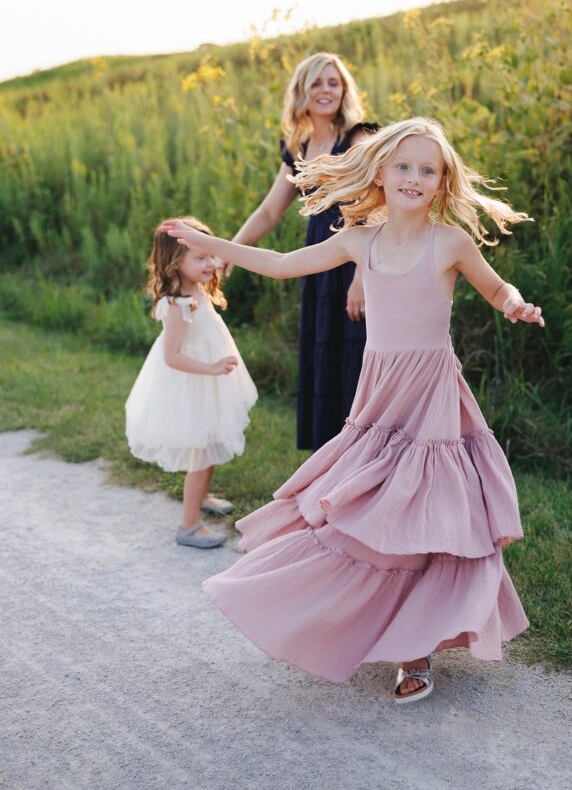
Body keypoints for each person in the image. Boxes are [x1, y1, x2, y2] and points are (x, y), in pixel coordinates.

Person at [162, 118, 544, 700]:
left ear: (441, 183)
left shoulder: (450, 243)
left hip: (430, 398)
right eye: (403, 167)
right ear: (381, 172)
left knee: (425, 519)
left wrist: (515, 306)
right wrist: (214, 246)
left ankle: (415, 656)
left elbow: (497, 290)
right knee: (369, 519)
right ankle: (344, 619)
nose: (414, 178)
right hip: (379, 402)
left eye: (427, 170)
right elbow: (284, 262)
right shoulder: (359, 240)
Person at [227, 52, 377, 450]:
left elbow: (378, 207)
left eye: (333, 82)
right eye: (317, 83)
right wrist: (231, 250)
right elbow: (269, 210)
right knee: (324, 353)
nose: (326, 90)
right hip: (318, 263)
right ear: (302, 92)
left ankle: (366, 457)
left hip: (359, 261)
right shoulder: (300, 145)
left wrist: (362, 277)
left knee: (358, 357)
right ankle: (329, 462)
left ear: (344, 90)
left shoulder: (359, 137)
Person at [125, 217, 257, 549]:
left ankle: (202, 497)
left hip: (207, 381)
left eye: (211, 255)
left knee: (209, 439)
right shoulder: (177, 305)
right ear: (175, 263)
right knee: (202, 447)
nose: (211, 263)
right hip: (193, 382)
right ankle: (188, 525)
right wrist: (211, 367)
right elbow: (172, 356)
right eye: (201, 258)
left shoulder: (196, 288)